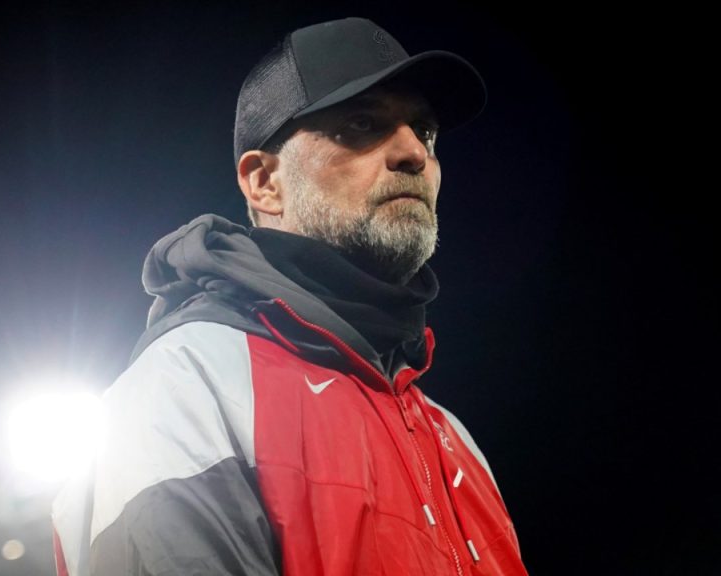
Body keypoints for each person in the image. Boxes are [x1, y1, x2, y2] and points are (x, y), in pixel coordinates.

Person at [50, 15, 529, 576]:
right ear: (264, 182)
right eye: (361, 123)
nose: (413, 153)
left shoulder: (455, 441)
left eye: (424, 131)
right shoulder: (189, 379)